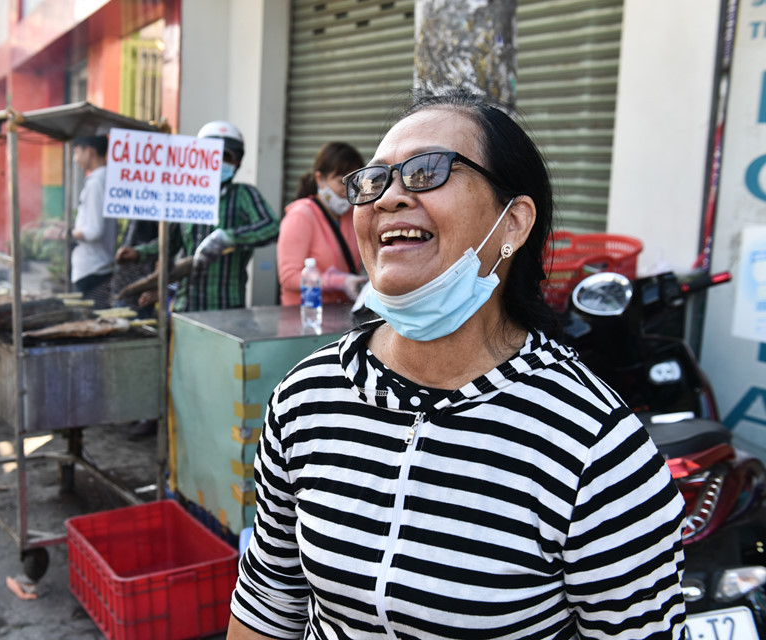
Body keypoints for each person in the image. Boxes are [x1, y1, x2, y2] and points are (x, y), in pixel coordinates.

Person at [228, 88, 686, 639]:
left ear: (513, 223)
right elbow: (267, 602)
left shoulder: (595, 447)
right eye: (374, 179)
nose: (387, 198)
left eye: (427, 171)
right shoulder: (306, 397)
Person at [116, 120, 279, 312]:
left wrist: (228, 238)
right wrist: (139, 252)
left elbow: (271, 227)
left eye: (225, 156)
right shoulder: (187, 197)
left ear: (237, 162)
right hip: (186, 305)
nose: (217, 161)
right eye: (211, 154)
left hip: (227, 307)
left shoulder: (244, 195)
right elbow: (170, 242)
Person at [278, 142, 368, 305]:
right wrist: (339, 281)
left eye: (354, 182)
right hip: (306, 314)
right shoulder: (301, 215)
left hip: (342, 313)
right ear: (320, 179)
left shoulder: (353, 213)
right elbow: (289, 277)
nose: (347, 189)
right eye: (341, 181)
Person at [47, 135, 118, 308]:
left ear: (90, 152)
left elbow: (94, 231)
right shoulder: (105, 178)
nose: (75, 159)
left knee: (93, 321)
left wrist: (64, 234)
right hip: (99, 267)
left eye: (76, 152)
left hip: (92, 270)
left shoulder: (96, 183)